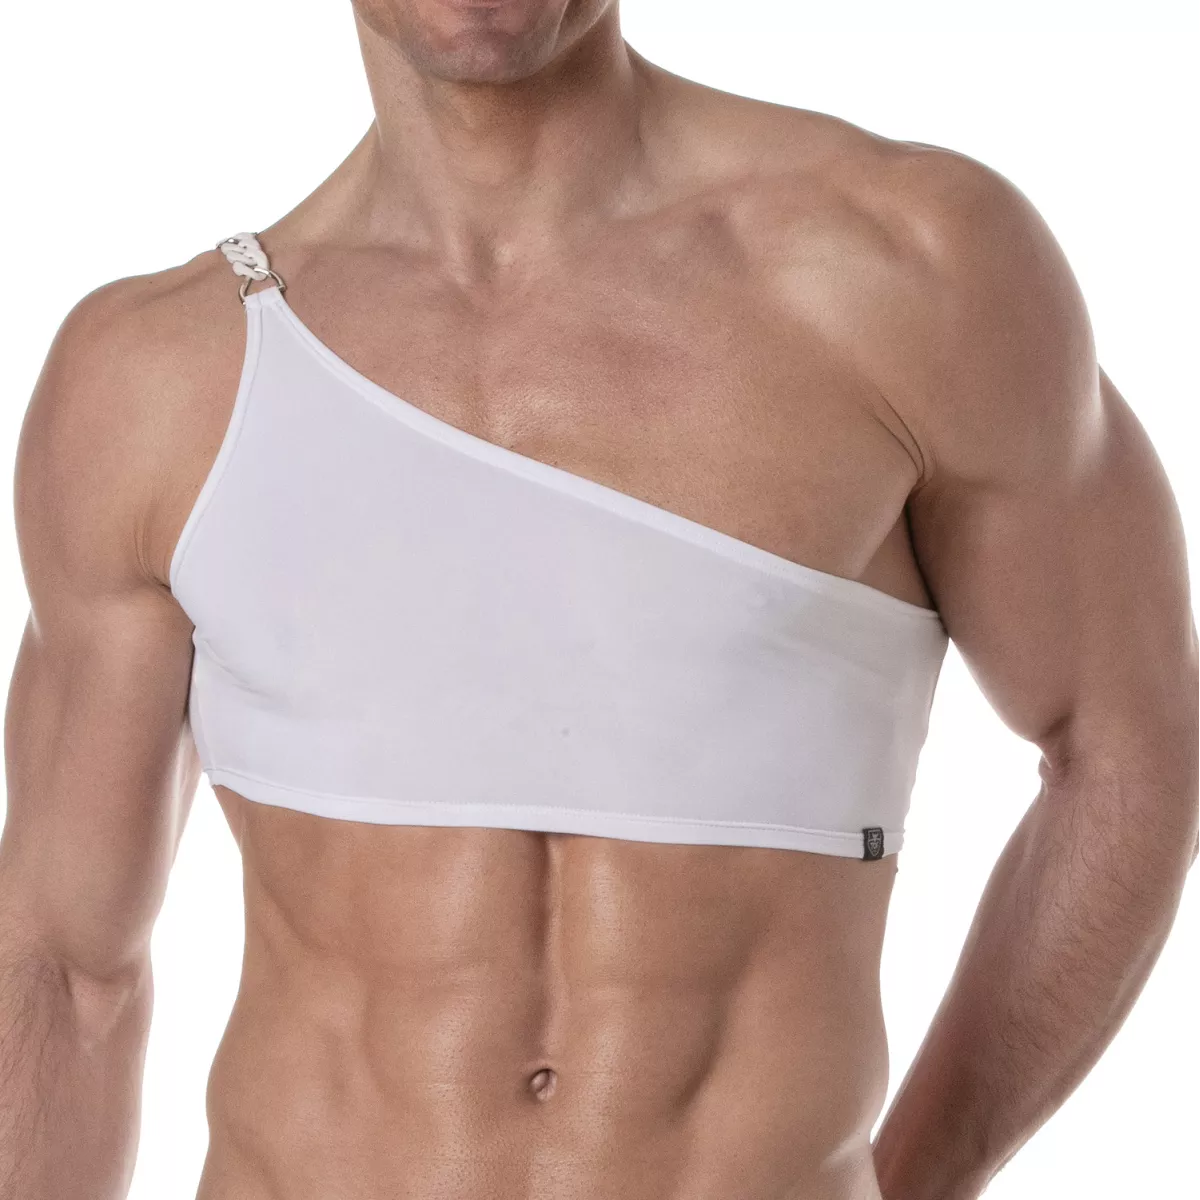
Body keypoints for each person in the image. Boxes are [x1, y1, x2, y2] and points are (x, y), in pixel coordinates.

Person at [1, 2, 1196, 1198]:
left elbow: (1131, 743)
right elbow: (61, 962)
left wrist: (915, 1181)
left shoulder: (908, 268)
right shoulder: (153, 380)